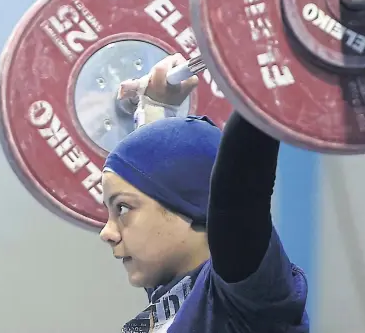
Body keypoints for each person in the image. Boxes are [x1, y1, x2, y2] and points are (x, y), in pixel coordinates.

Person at [100, 53, 309, 333]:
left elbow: (237, 192)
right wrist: (156, 107)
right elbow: (159, 169)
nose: (107, 232)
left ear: (191, 207)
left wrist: (266, 70)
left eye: (122, 208)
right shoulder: (172, 297)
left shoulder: (242, 298)